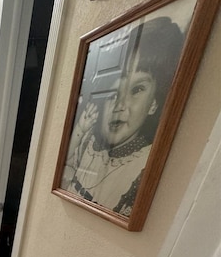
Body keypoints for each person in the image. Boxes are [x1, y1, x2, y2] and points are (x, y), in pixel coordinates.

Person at [62, 17, 185, 216]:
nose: (120, 105)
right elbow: (65, 166)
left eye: (137, 89)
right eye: (114, 94)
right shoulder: (89, 143)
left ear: (154, 104)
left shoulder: (141, 167)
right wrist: (80, 131)